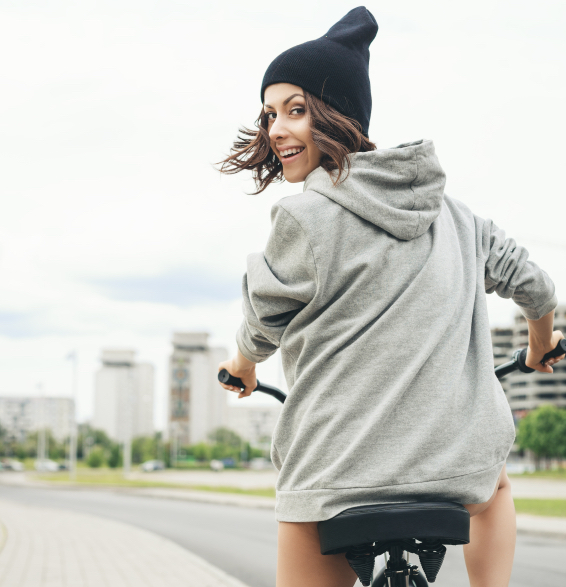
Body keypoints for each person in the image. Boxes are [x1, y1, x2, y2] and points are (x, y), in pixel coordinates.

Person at [216, 7, 564, 587]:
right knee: (496, 480)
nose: (276, 128)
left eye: (295, 111)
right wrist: (539, 342)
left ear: (338, 115)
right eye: (270, 113)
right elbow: (537, 287)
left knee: (302, 508)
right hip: (455, 470)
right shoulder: (455, 215)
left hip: (338, 474)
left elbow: (262, 320)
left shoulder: (305, 216)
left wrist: (242, 365)